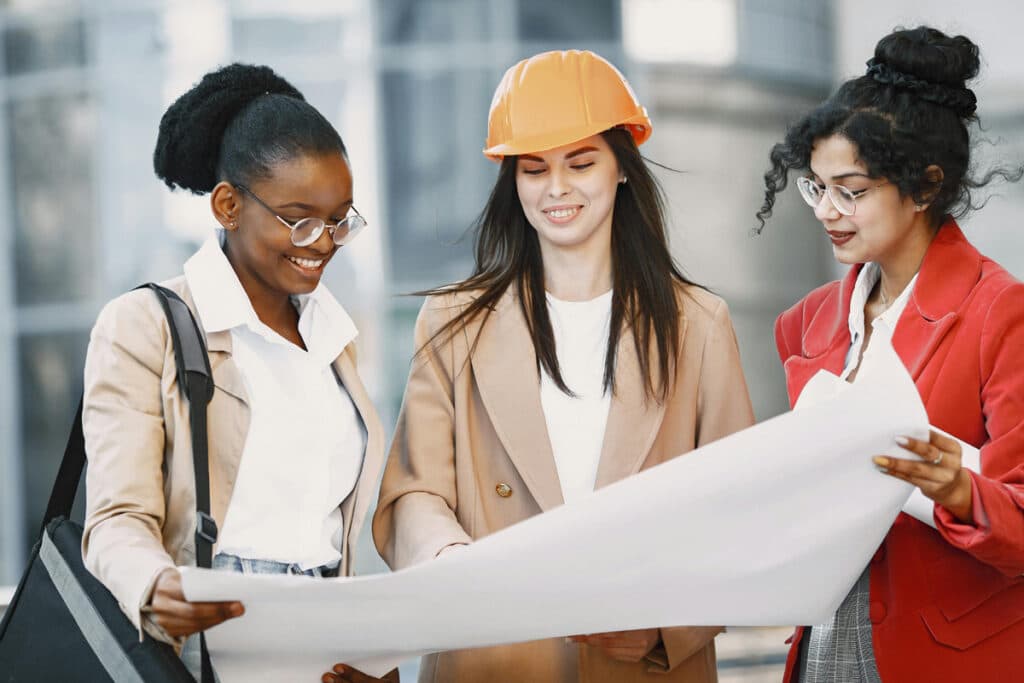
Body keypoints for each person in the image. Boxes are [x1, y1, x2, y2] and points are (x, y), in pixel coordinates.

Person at [369, 50, 754, 683]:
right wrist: (446, 557)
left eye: (581, 163)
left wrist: (666, 623)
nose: (556, 189)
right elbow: (415, 490)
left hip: (644, 664)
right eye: (534, 168)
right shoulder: (452, 322)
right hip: (494, 651)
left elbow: (742, 509)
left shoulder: (698, 325)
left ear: (622, 169)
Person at [82, 63, 390, 680]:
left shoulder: (336, 338)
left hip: (326, 649)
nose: (323, 242)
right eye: (299, 218)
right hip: (211, 650)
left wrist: (366, 655)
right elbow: (116, 521)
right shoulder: (145, 325)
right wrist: (155, 586)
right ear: (228, 205)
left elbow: (333, 531)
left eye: (339, 221)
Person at [758, 26, 1024, 683]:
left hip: (945, 653)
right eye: (816, 187)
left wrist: (960, 490)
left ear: (926, 185)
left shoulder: (1001, 312)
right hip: (823, 640)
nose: (827, 211)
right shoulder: (806, 323)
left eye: (852, 190)